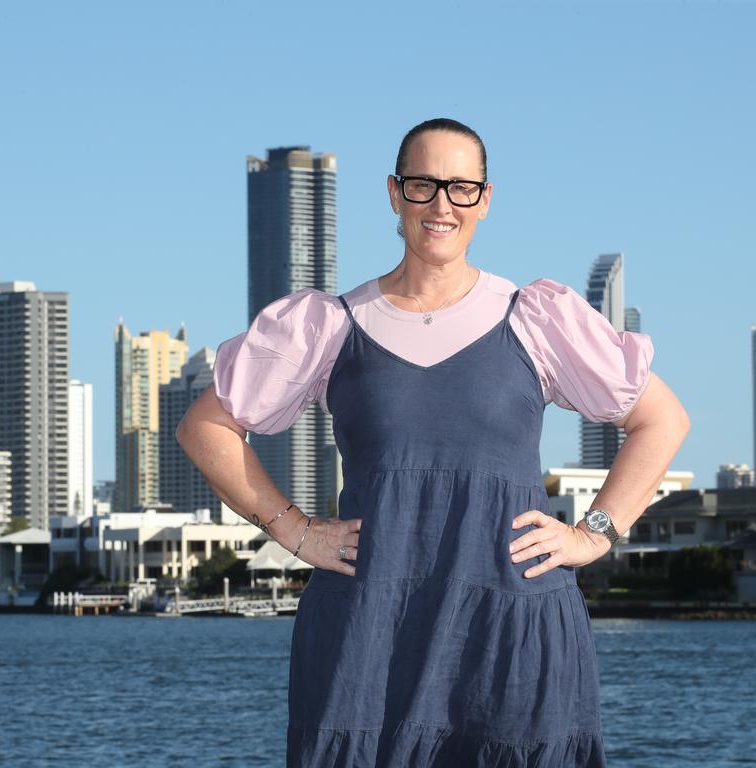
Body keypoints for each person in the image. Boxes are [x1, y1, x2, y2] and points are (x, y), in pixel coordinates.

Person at [178, 118, 689, 767]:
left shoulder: (534, 318)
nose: (442, 204)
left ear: (486, 198)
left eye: (461, 187)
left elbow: (662, 420)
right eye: (423, 185)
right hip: (370, 637)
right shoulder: (333, 325)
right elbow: (205, 427)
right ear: (394, 193)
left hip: (512, 633)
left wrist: (592, 532)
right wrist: (295, 530)